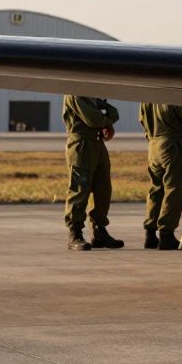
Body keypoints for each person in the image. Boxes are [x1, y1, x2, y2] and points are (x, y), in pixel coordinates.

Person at [139, 102, 182, 250]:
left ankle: (150, 234)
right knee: (175, 189)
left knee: (156, 189)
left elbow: (142, 119)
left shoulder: (147, 97)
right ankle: (166, 234)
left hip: (153, 145)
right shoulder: (175, 96)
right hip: (171, 145)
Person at [62, 95, 123, 251]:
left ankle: (99, 231)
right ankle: (75, 233)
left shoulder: (92, 94)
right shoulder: (76, 93)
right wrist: (108, 119)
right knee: (80, 189)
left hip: (97, 144)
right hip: (82, 145)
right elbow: (94, 119)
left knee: (103, 189)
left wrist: (107, 120)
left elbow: (109, 112)